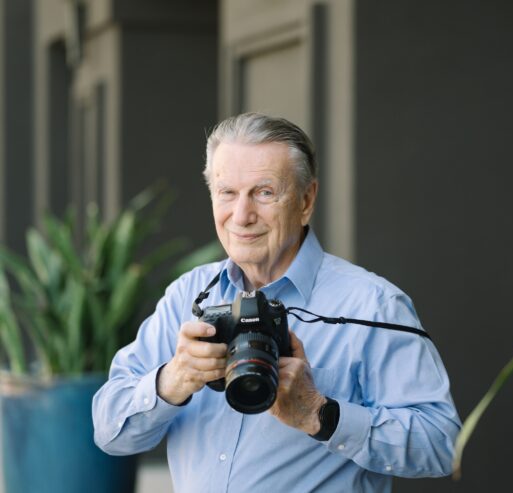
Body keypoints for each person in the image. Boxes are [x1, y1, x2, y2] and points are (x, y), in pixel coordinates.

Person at [92, 112, 461, 492]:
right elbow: (109, 431)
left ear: (306, 200)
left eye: (264, 192)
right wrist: (172, 380)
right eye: (227, 193)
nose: (241, 215)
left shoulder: (373, 305)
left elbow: (442, 445)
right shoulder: (188, 296)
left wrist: (321, 414)